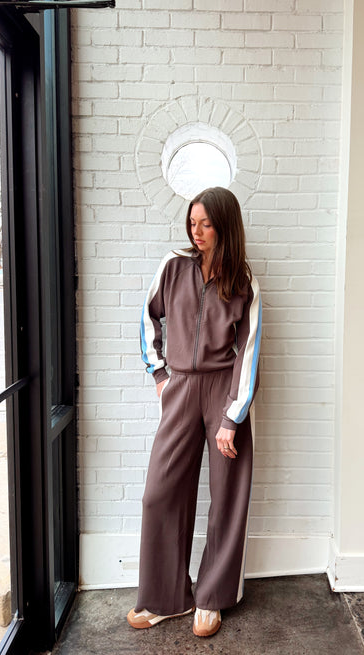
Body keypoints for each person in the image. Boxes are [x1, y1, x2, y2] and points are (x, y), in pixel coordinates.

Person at [127, 186, 262, 638]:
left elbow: (249, 351)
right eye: (192, 222)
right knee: (160, 493)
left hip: (225, 391)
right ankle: (166, 598)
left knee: (227, 497)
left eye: (206, 223)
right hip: (181, 387)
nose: (196, 232)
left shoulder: (243, 281)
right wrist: (160, 373)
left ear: (225, 227)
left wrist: (232, 418)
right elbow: (148, 317)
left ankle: (212, 597)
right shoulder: (173, 266)